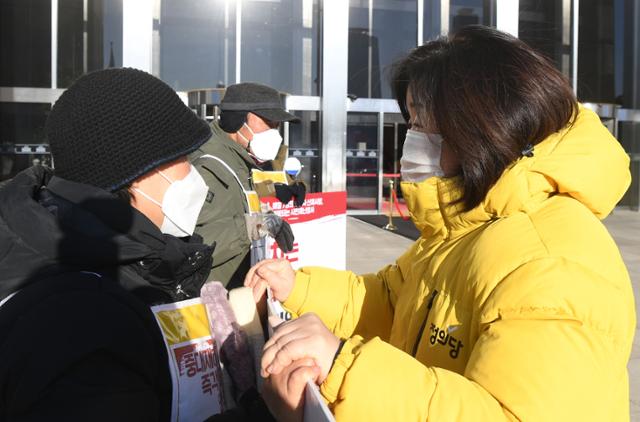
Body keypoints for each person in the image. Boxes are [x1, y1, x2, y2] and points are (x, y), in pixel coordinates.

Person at [245, 26, 636, 421]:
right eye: (411, 122)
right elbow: (390, 300)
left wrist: (345, 370)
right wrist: (298, 287)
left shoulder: (552, 263)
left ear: (482, 129)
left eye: (422, 125)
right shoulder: (464, 226)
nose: (411, 140)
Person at [0, 68, 265, 420]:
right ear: (141, 170)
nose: (192, 173)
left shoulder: (102, 262)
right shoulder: (82, 324)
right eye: (184, 158)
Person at [191, 82, 300, 289]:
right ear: (236, 120)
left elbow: (235, 208)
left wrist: (267, 217)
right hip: (211, 303)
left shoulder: (239, 159)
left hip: (235, 293)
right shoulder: (208, 166)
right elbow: (193, 246)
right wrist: (257, 225)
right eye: (268, 122)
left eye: (276, 124)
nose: (275, 132)